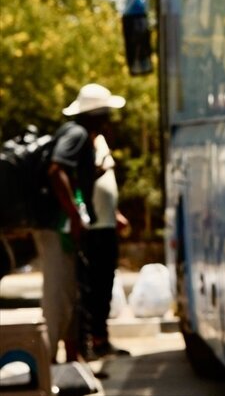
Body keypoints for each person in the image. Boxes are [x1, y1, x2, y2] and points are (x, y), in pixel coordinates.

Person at [34, 82, 125, 363]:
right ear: (96, 114)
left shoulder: (81, 135)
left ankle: (73, 361)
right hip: (57, 226)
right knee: (58, 296)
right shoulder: (78, 134)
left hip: (63, 228)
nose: (109, 119)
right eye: (106, 113)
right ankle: (48, 365)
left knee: (72, 295)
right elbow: (56, 170)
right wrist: (75, 215)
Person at [77, 132, 131, 361]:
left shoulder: (100, 141)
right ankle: (88, 343)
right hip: (93, 227)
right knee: (93, 288)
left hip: (107, 224)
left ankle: (101, 339)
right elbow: (84, 179)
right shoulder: (80, 141)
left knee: (105, 285)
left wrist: (115, 213)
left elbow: (104, 182)